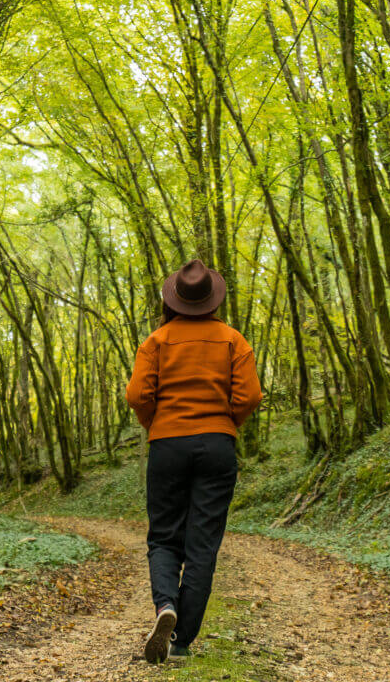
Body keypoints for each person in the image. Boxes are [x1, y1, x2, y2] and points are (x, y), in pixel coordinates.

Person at [125, 259, 263, 664]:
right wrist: (225, 423)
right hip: (217, 447)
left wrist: (156, 423)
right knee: (203, 544)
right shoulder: (233, 341)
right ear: (212, 300)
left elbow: (137, 395)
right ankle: (181, 641)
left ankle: (166, 604)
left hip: (167, 445)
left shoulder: (156, 341)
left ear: (174, 300)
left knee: (164, 537)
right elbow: (250, 396)